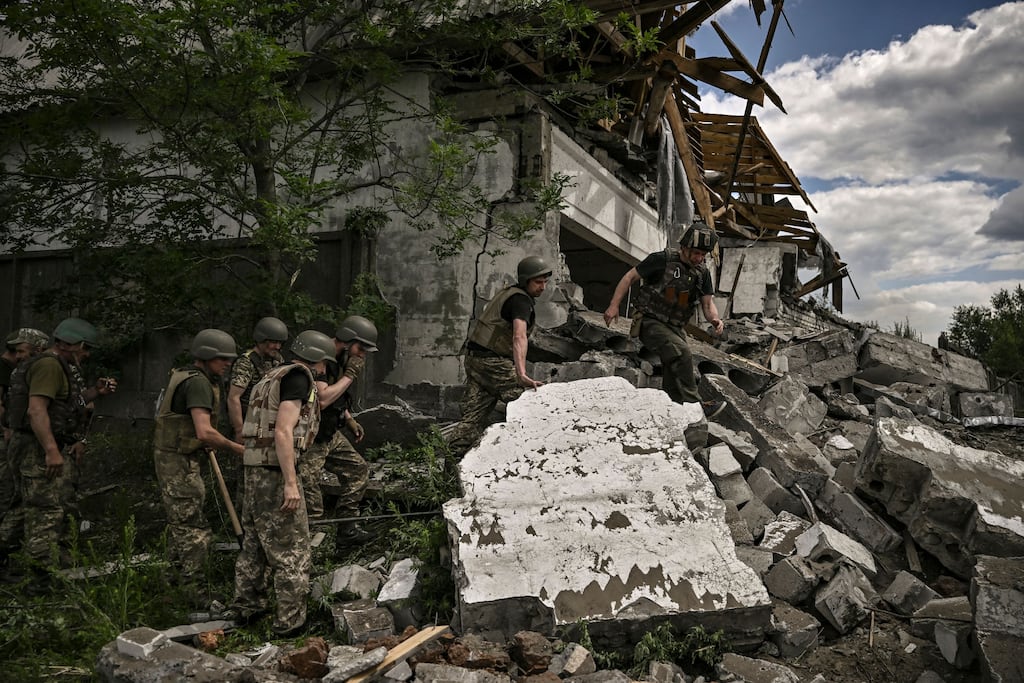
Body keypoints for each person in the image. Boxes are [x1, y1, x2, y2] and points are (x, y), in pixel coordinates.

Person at [228, 329, 331, 636]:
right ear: (315, 358)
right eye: (324, 362)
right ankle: (290, 623)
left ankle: (247, 609)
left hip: (254, 470)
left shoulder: (270, 375)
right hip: (276, 471)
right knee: (292, 549)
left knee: (254, 546)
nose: (325, 368)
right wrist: (290, 482)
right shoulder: (298, 378)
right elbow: (284, 430)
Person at [1, 318, 117, 576]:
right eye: (86, 349)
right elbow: (37, 410)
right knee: (46, 510)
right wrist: (52, 450)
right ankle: (39, 580)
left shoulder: (53, 366)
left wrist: (94, 393)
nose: (86, 355)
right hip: (37, 446)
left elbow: (63, 405)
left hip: (30, 443)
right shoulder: (50, 366)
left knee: (23, 506)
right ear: (75, 345)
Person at [603, 221, 727, 416]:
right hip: (649, 320)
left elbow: (707, 303)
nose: (699, 258)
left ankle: (673, 409)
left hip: (675, 326)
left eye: (703, 255)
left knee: (673, 367)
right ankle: (696, 406)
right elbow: (629, 277)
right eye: (696, 253)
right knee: (681, 352)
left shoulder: (702, 273)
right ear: (684, 248)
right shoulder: (662, 259)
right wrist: (613, 305)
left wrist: (715, 320)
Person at [153, 328, 244, 586]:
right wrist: (238, 450)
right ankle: (195, 588)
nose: (227, 364)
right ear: (205, 356)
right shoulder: (198, 383)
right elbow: (204, 431)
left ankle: (173, 581)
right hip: (178, 463)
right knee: (193, 527)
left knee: (180, 522)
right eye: (222, 359)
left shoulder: (184, 374)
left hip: (177, 456)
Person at [445, 256, 550, 454]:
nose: (543, 287)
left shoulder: (508, 294)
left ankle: (451, 467)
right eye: (538, 282)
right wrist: (521, 374)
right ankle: (533, 454)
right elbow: (519, 337)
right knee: (531, 400)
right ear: (525, 280)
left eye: (545, 282)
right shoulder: (521, 301)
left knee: (472, 418)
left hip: (475, 359)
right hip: (493, 362)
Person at [298, 316, 377, 542]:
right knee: (309, 492)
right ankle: (308, 545)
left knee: (358, 470)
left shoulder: (343, 357)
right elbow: (322, 399)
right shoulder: (320, 357)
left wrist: (348, 418)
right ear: (348, 340)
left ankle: (347, 530)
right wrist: (350, 376)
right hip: (311, 437)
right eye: (361, 348)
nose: (362, 355)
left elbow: (336, 397)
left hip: (330, 432)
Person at [0, 329, 50, 545]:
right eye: (17, 351)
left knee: (15, 495)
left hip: (16, 437)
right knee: (18, 495)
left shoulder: (22, 371)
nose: (18, 355)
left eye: (22, 350)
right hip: (20, 438)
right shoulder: (31, 370)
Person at [227, 317, 289, 442]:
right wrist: (240, 430)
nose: (277, 346)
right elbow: (234, 398)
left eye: (280, 343)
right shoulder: (246, 362)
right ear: (261, 339)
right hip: (249, 422)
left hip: (268, 422)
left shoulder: (276, 360)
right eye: (273, 342)